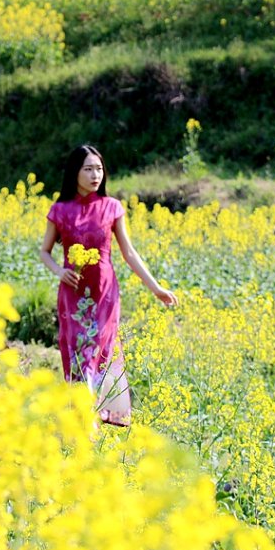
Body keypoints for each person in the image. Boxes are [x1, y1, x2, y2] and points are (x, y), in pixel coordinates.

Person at [40, 145, 178, 426]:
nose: (95, 175)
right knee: (78, 354)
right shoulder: (60, 210)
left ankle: (99, 416)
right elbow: (44, 251)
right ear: (74, 172)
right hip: (73, 296)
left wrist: (156, 288)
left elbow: (128, 252)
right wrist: (60, 271)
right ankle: (81, 419)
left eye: (99, 169)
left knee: (102, 353)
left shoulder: (112, 207)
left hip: (105, 294)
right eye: (88, 169)